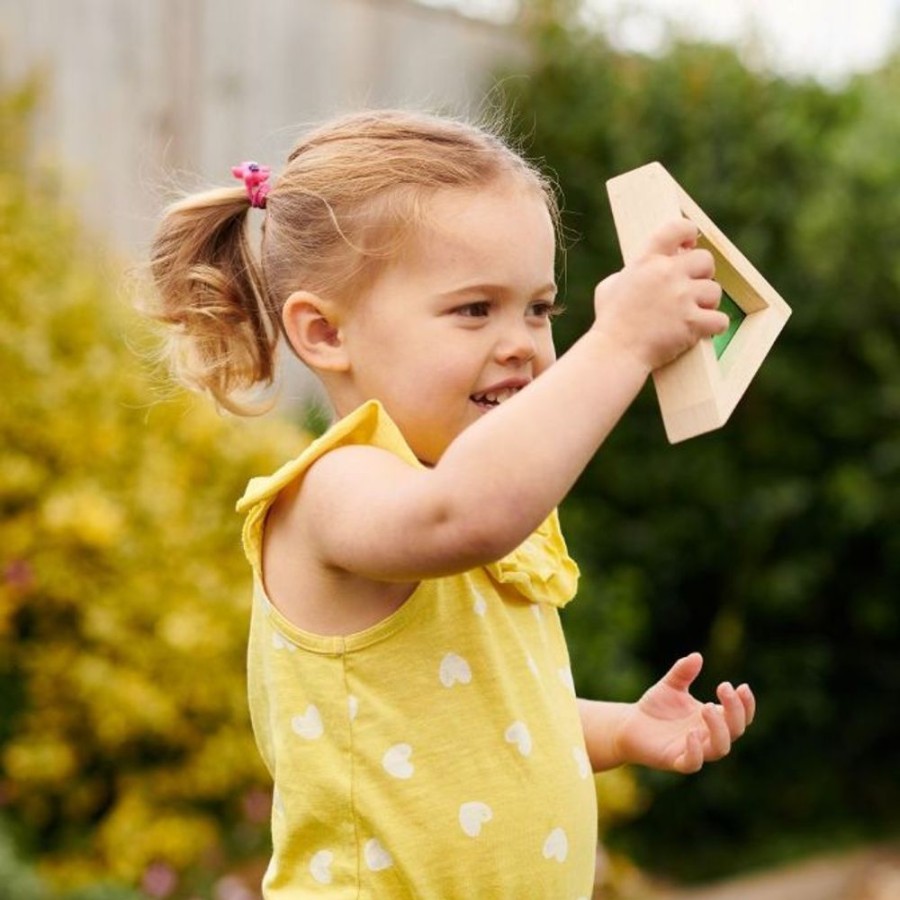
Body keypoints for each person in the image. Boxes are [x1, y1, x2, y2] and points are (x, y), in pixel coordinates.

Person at [147, 109, 755, 898]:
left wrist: (620, 727)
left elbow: (475, 722)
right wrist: (622, 343)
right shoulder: (338, 489)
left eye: (540, 309)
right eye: (475, 309)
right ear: (325, 332)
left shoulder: (461, 496)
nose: (523, 343)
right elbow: (465, 513)